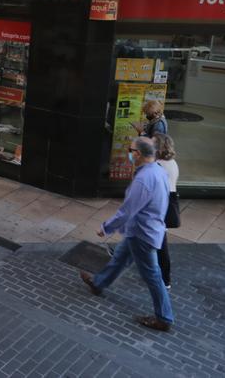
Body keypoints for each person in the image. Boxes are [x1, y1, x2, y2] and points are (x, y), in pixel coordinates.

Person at [77, 137, 173, 332]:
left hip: (142, 233)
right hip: (141, 230)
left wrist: (106, 228)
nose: (129, 154)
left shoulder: (144, 179)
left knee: (152, 275)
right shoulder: (158, 171)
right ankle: (98, 283)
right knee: (120, 257)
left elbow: (127, 211)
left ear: (138, 154)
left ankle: (164, 317)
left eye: (131, 150)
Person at [152, 133, 178, 290]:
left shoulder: (158, 165)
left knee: (161, 244)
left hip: (160, 206)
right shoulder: (172, 162)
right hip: (168, 201)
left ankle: (165, 279)